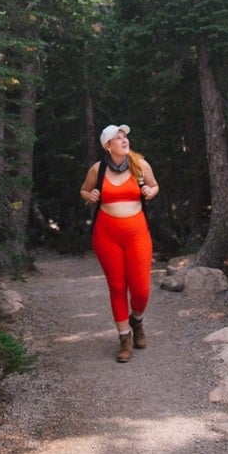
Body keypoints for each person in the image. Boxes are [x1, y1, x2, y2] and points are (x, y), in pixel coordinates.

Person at [80, 124, 159, 362]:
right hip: (106, 235)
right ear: (108, 145)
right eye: (118, 137)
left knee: (141, 289)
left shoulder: (140, 165)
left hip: (137, 234)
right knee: (116, 287)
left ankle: (137, 320)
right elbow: (84, 190)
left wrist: (151, 192)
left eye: (125, 137)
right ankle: (125, 339)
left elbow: (155, 186)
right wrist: (90, 196)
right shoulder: (98, 169)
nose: (124, 140)